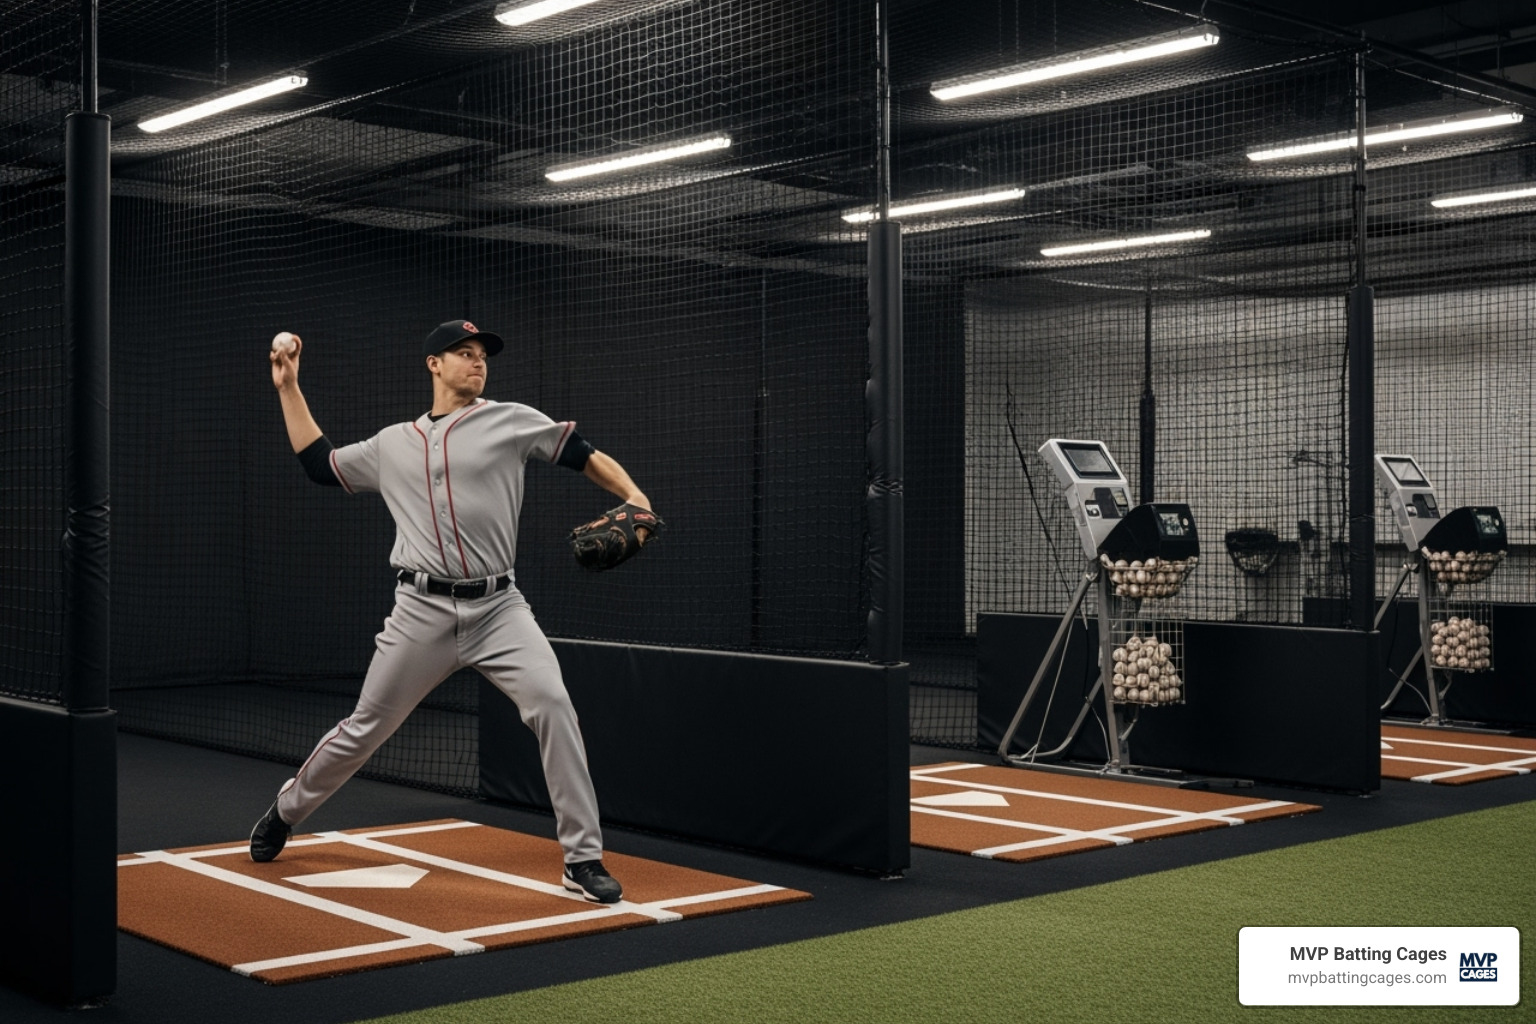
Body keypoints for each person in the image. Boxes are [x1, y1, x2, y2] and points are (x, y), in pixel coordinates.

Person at [251, 319, 653, 904]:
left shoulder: (511, 419)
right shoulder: (392, 443)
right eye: (462, 353)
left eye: (481, 354)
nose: (477, 361)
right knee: (365, 728)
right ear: (433, 364)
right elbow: (321, 465)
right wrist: (288, 386)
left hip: (500, 609)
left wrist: (634, 498)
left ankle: (582, 858)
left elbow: (584, 454)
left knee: (554, 705)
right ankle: (286, 810)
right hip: (420, 612)